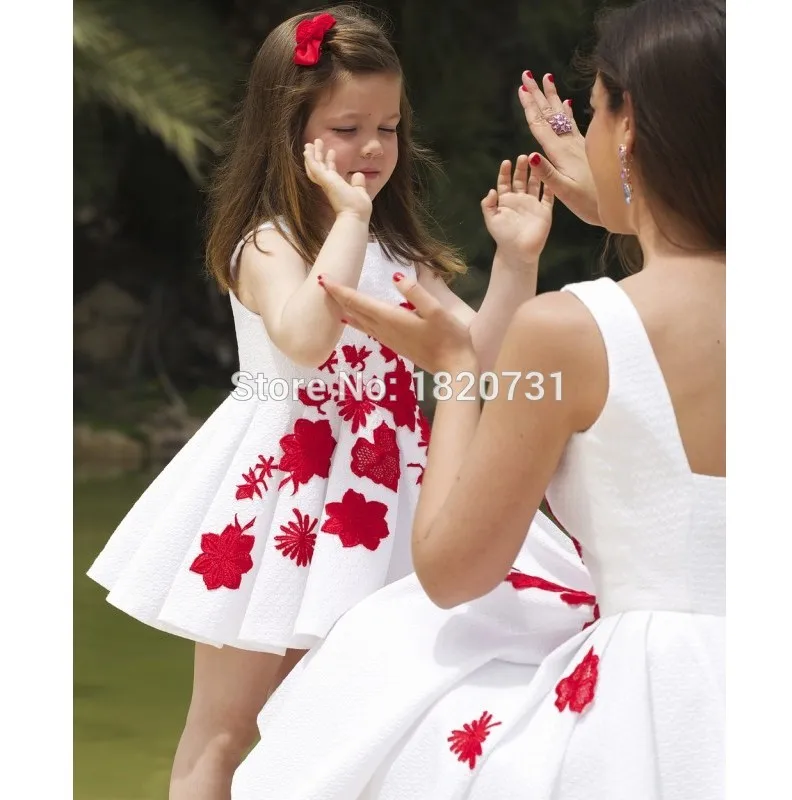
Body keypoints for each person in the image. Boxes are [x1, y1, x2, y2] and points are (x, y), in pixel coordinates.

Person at [230, 0, 725, 798]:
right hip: (299, 493)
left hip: (649, 704)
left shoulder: (572, 329)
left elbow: (454, 571)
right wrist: (617, 203)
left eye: (592, 110)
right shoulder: (272, 240)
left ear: (627, 129)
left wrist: (458, 370)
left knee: (360, 706)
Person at [86, 5, 556, 798]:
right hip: (287, 495)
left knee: (348, 724)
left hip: (388, 495)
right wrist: (349, 215)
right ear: (290, 131)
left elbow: (477, 357)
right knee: (227, 729)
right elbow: (305, 337)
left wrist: (515, 263)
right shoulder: (265, 241)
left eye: (388, 127)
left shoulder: (393, 248)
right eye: (347, 127)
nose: (372, 148)